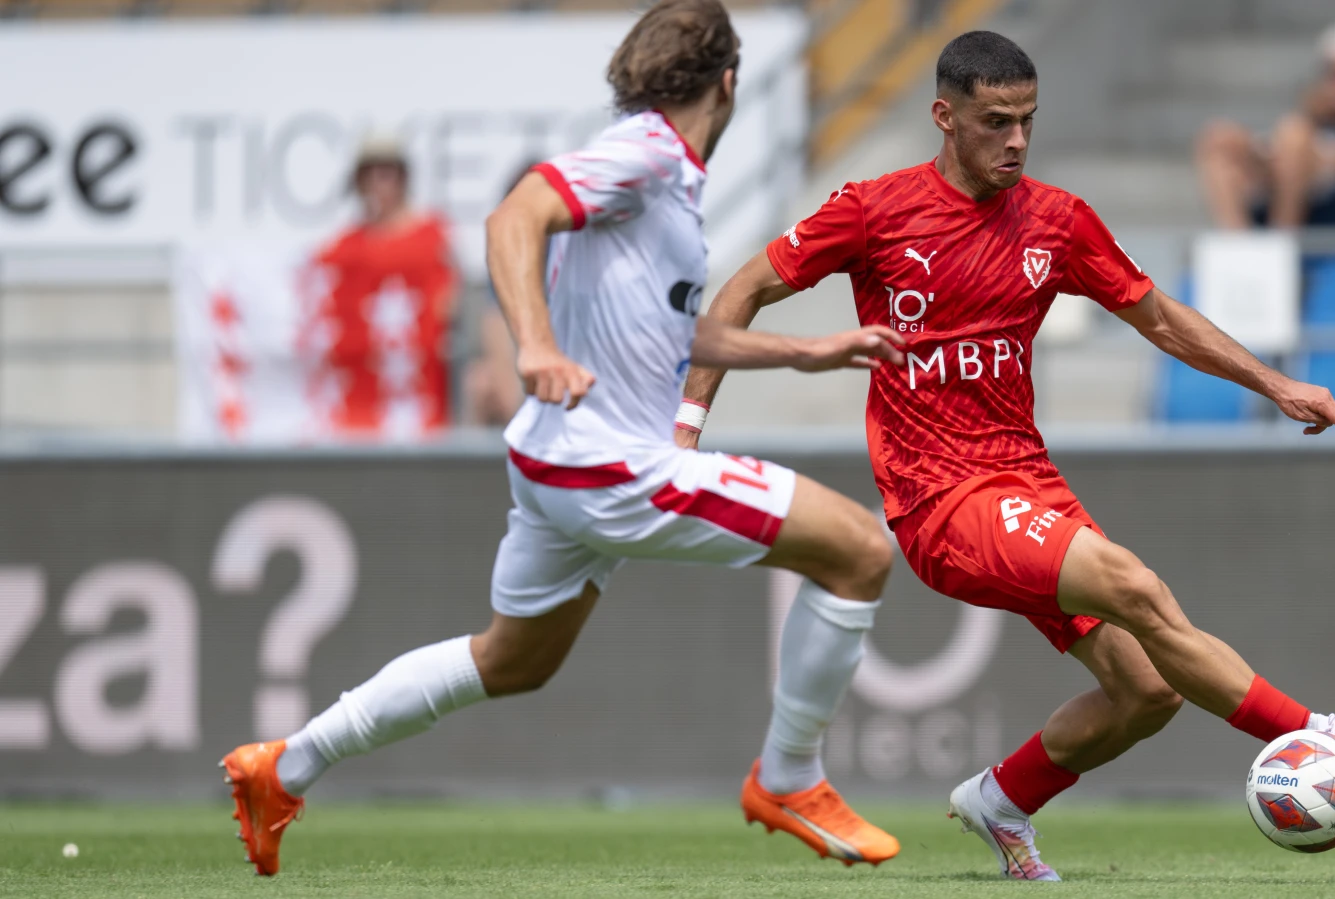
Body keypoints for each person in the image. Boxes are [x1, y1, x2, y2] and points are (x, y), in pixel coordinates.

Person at [681, 31, 1335, 881]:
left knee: (1147, 692)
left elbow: (1162, 318)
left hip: (1027, 481)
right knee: (1133, 584)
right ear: (944, 118)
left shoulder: (1057, 220)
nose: (1017, 140)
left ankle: (1001, 800)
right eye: (996, 122)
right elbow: (741, 290)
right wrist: (687, 428)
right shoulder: (874, 209)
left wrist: (1276, 384)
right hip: (939, 502)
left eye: (1027, 120)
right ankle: (1315, 731)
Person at [222, 0, 907, 876]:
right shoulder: (650, 151)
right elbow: (515, 216)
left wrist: (804, 349)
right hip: (607, 466)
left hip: (554, 462)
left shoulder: (663, 182)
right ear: (729, 81)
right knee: (859, 550)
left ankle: (285, 765)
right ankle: (789, 776)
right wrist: (535, 344)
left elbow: (667, 330)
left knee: (511, 660)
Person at [306, 135, 458, 437]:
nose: (379, 184)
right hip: (361, 407)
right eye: (370, 175)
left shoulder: (431, 235)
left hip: (418, 397)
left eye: (387, 173)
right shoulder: (344, 247)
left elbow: (447, 302)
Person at [1196, 21, 1335, 229]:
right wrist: (1265, 157)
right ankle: (1237, 245)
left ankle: (1284, 237)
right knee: (1220, 138)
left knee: (1293, 135)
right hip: (1291, 193)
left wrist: (1294, 153)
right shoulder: (1311, 121)